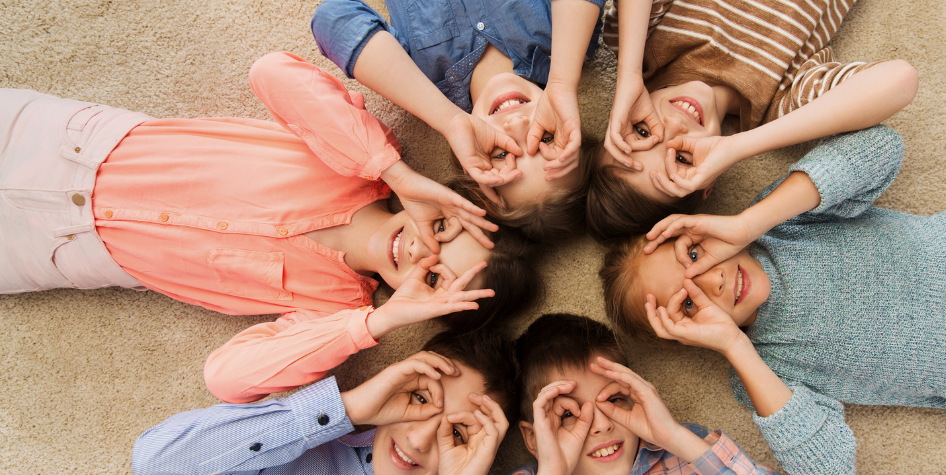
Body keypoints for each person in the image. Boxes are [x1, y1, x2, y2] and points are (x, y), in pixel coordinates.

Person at [0, 51, 540, 404]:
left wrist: (376, 325)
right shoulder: (361, 160)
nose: (424, 251)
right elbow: (271, 73)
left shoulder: (335, 311)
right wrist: (395, 172)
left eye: (439, 279)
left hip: (47, 251)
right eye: (444, 231)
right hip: (62, 144)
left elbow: (227, 378)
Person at [599, 125, 946, 474]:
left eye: (693, 254)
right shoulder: (765, 373)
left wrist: (748, 223)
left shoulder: (782, 222)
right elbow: (830, 466)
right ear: (687, 336)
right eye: (687, 304)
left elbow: (881, 147)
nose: (709, 281)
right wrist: (734, 346)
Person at [586, 0, 918, 240]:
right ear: (709, 179)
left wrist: (629, 72)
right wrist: (738, 146)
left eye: (643, 131)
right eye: (682, 156)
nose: (674, 127)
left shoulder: (640, 38)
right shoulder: (783, 104)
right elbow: (900, 80)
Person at [313, 0, 604, 241]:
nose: (516, 125)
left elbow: (333, 18)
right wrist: (564, 81)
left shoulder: (418, 86)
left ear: (471, 165)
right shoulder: (565, 40)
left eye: (502, 153)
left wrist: (451, 121)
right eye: (546, 138)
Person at [132, 329, 517, 475]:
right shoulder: (305, 449)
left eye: (459, 434)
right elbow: (155, 464)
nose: (418, 440)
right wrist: (348, 407)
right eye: (421, 399)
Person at [509, 313, 778, 475]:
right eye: (569, 414)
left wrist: (673, 436)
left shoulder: (684, 450)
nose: (602, 425)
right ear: (533, 438)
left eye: (613, 400)